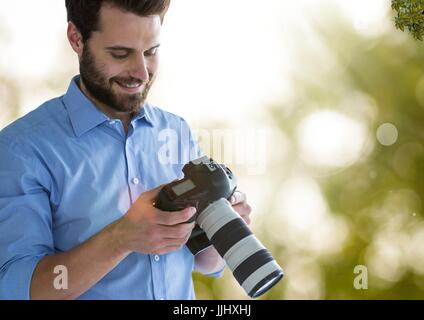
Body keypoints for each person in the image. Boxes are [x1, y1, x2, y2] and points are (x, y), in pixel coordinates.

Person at [0, 0, 252, 300]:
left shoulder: (177, 131)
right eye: (120, 54)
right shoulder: (23, 150)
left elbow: (204, 262)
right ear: (76, 38)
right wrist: (120, 238)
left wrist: (222, 228)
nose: (141, 73)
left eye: (151, 52)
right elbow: (24, 290)